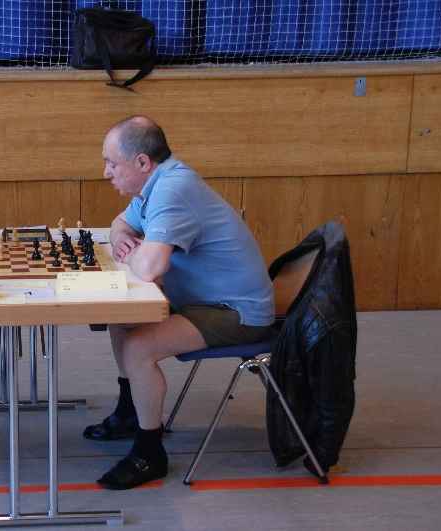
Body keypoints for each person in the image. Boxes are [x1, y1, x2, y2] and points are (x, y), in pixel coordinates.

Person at [85, 116, 275, 490]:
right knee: (122, 319)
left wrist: (135, 253)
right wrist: (126, 241)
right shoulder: (156, 184)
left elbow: (150, 267)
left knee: (139, 346)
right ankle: (130, 412)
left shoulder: (173, 190)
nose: (106, 172)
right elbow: (118, 225)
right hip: (202, 301)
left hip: (237, 311)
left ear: (142, 162)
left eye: (112, 163)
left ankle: (149, 453)